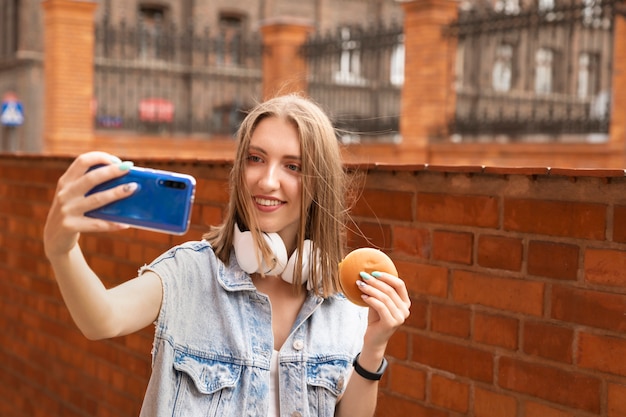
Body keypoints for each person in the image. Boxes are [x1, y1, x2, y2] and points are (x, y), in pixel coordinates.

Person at [43, 94, 411, 417]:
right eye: (256, 158)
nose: (267, 181)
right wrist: (63, 249)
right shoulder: (190, 272)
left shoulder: (346, 302)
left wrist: (374, 346)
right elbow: (101, 319)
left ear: (319, 182)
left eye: (293, 166)